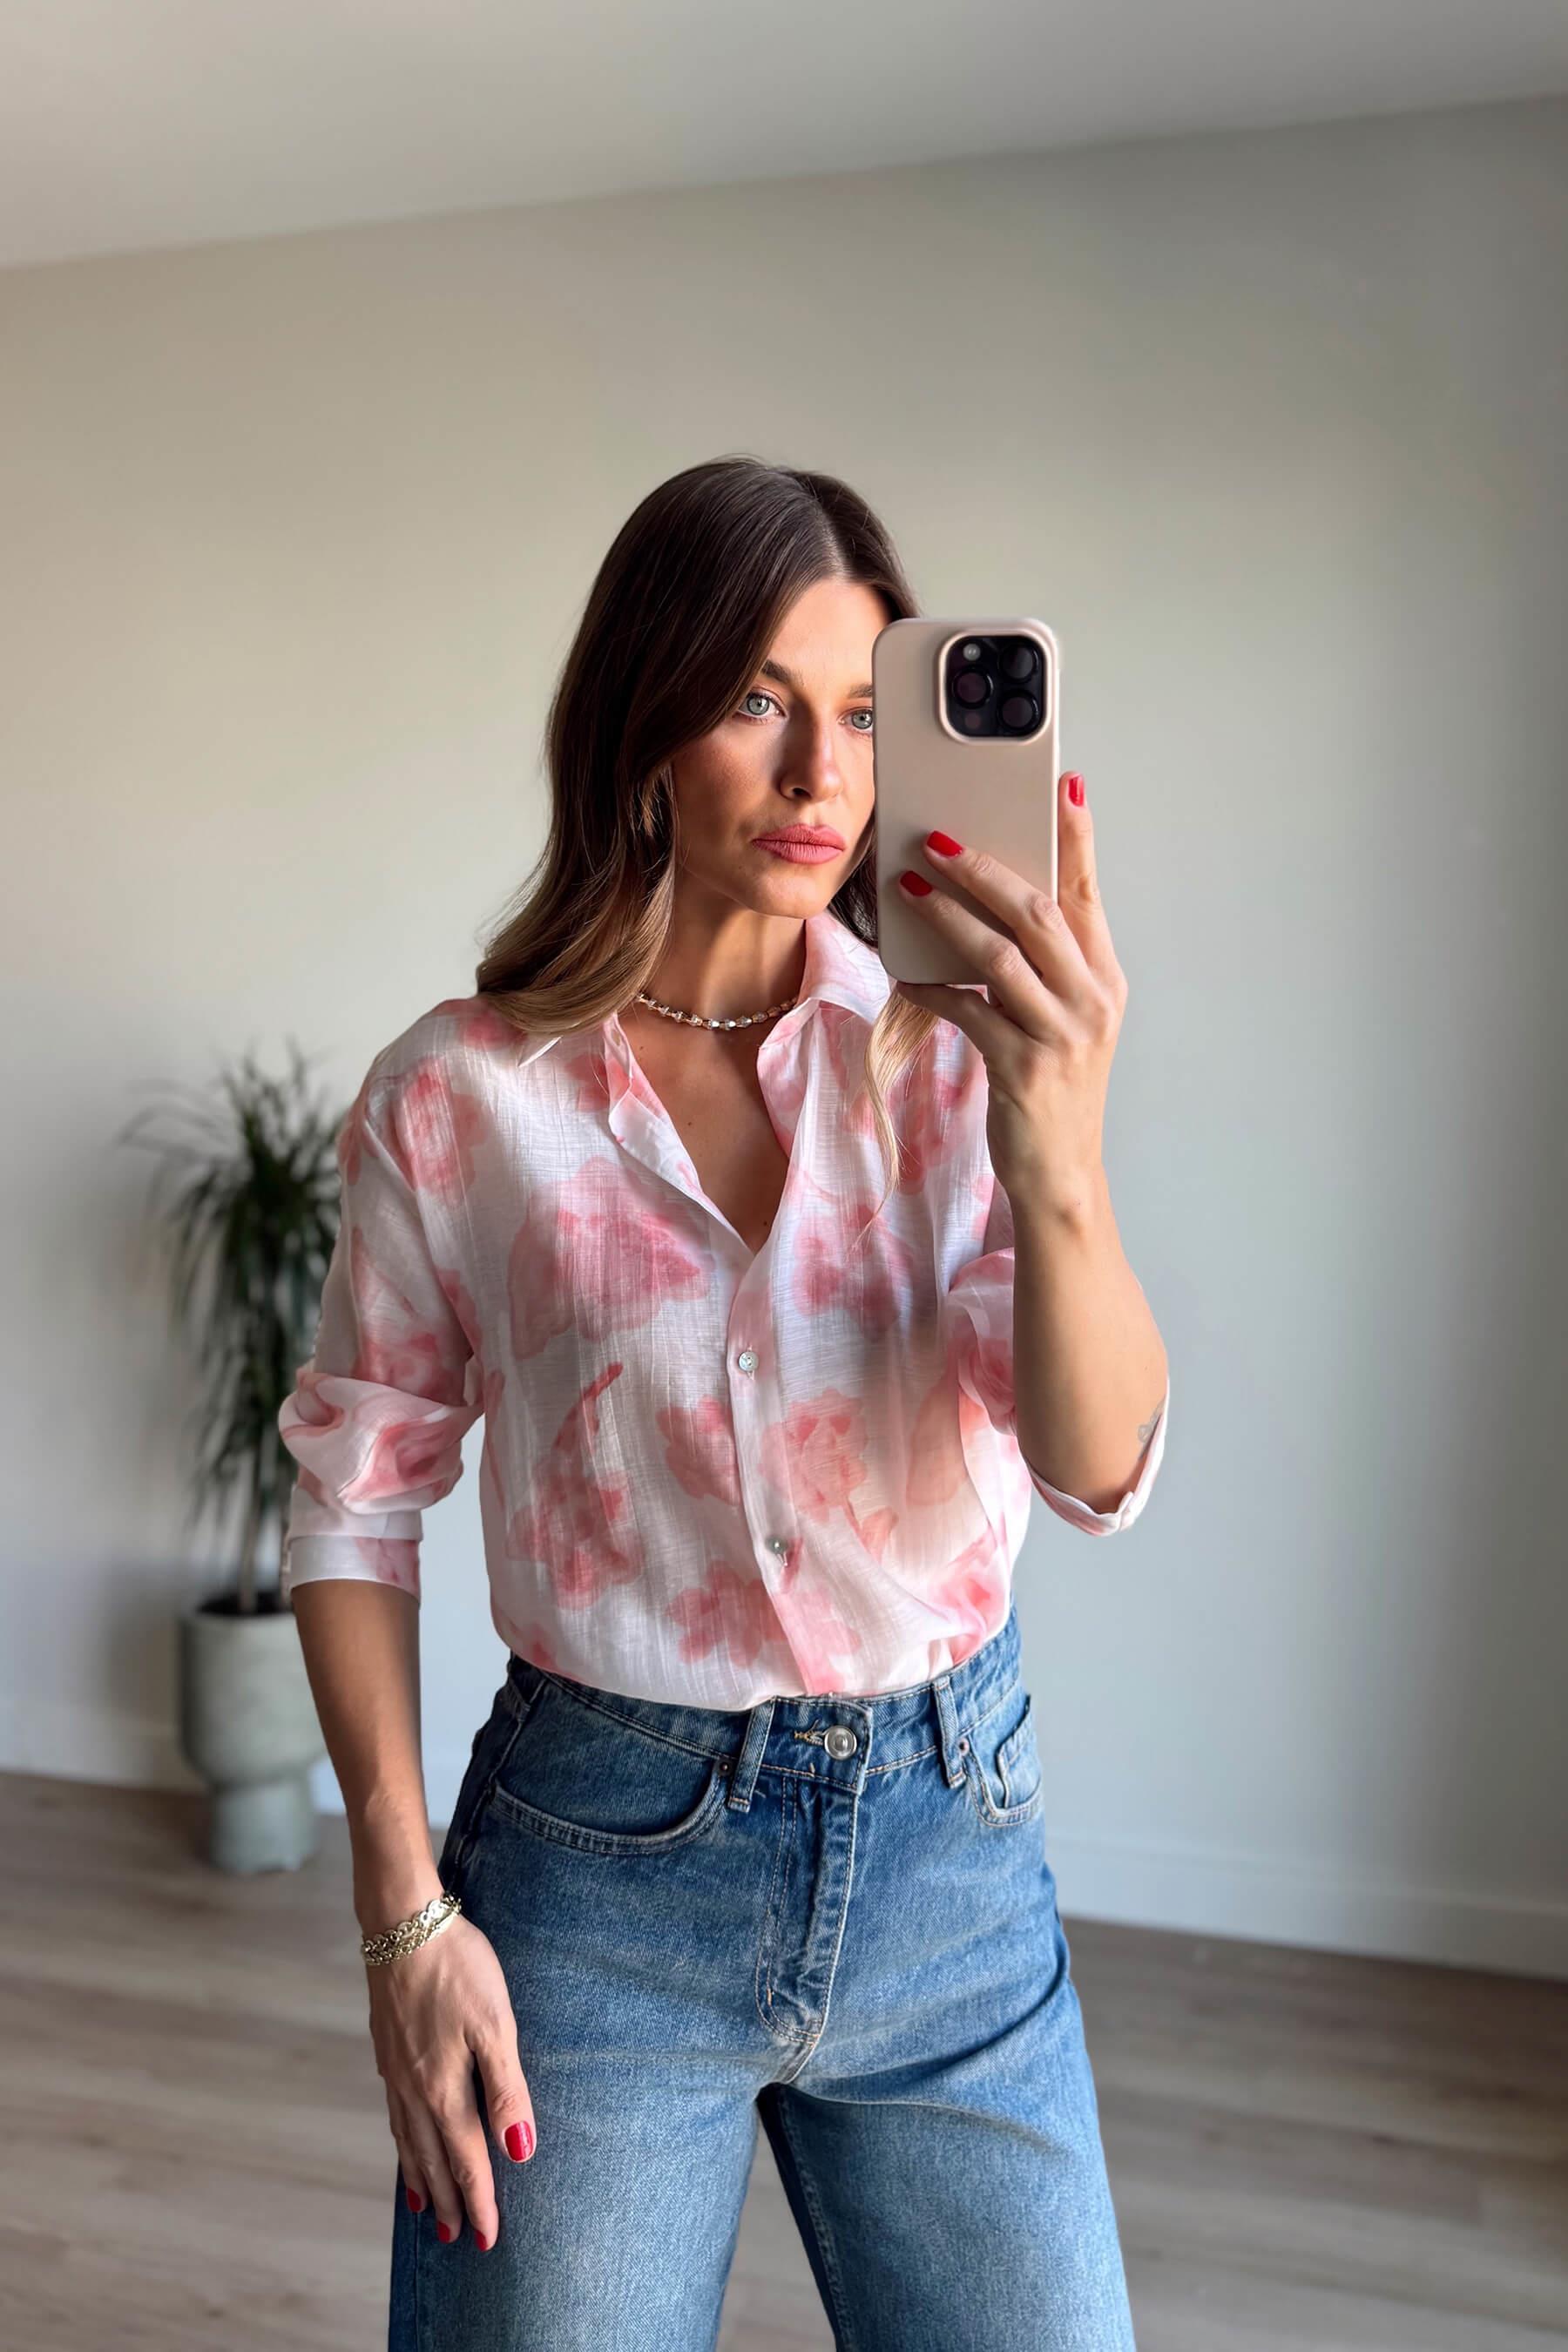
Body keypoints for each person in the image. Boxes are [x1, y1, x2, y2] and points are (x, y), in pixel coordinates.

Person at [277, 454, 1170, 2352]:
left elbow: (1096, 1472)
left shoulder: (961, 1064)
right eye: (760, 699)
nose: (822, 772)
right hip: (595, 1880)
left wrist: (1065, 1154)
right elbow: (353, 1498)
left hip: (952, 1860)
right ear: (645, 719)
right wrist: (402, 1915)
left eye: (863, 710)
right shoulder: (462, 1096)